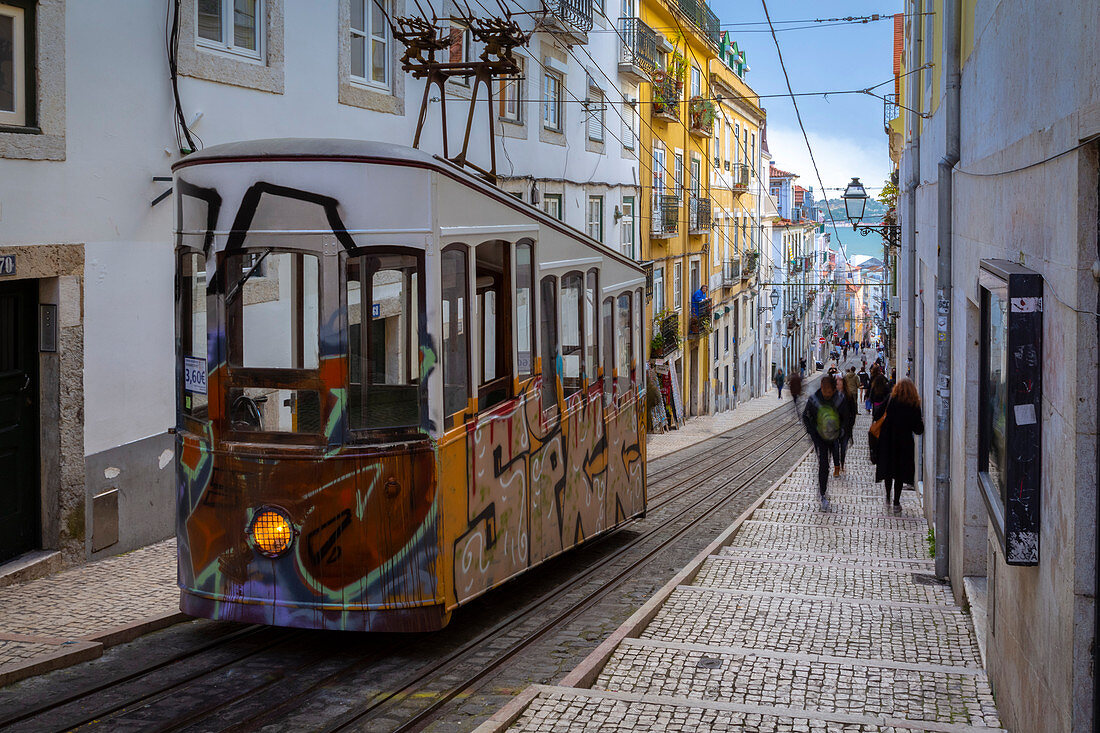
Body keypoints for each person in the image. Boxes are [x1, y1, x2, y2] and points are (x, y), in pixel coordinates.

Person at [876, 378, 925, 510]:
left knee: (888, 469)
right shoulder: (914, 404)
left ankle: (887, 496)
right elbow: (918, 429)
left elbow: (878, 413)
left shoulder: (891, 400)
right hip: (904, 443)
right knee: (899, 473)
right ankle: (896, 502)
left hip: (888, 439)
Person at [802, 374, 844, 511]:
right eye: (824, 391)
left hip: (834, 436)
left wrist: (842, 431)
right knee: (824, 464)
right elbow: (805, 416)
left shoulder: (839, 399)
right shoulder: (814, 400)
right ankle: (823, 493)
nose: (826, 394)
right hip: (820, 437)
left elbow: (846, 416)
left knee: (834, 456)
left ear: (833, 390)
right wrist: (813, 433)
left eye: (829, 391)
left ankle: (837, 468)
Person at [866, 365, 892, 464]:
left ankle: (876, 441)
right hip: (884, 407)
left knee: (875, 424)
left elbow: (871, 396)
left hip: (876, 408)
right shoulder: (885, 386)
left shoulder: (874, 384)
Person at [837, 374, 857, 471]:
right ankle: (837, 466)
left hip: (846, 427)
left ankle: (842, 463)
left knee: (843, 447)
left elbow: (853, 411)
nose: (838, 386)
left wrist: (851, 423)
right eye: (836, 384)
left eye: (839, 384)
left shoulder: (848, 396)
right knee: (836, 447)